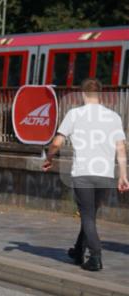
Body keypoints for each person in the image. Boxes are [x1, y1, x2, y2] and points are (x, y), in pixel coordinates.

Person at [43, 78, 128, 271]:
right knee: (89, 214)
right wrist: (123, 175)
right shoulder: (113, 117)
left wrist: (49, 157)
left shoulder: (74, 114)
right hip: (105, 174)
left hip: (83, 173)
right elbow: (121, 148)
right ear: (100, 94)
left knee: (87, 217)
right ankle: (78, 250)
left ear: (82, 94)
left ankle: (95, 257)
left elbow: (57, 142)